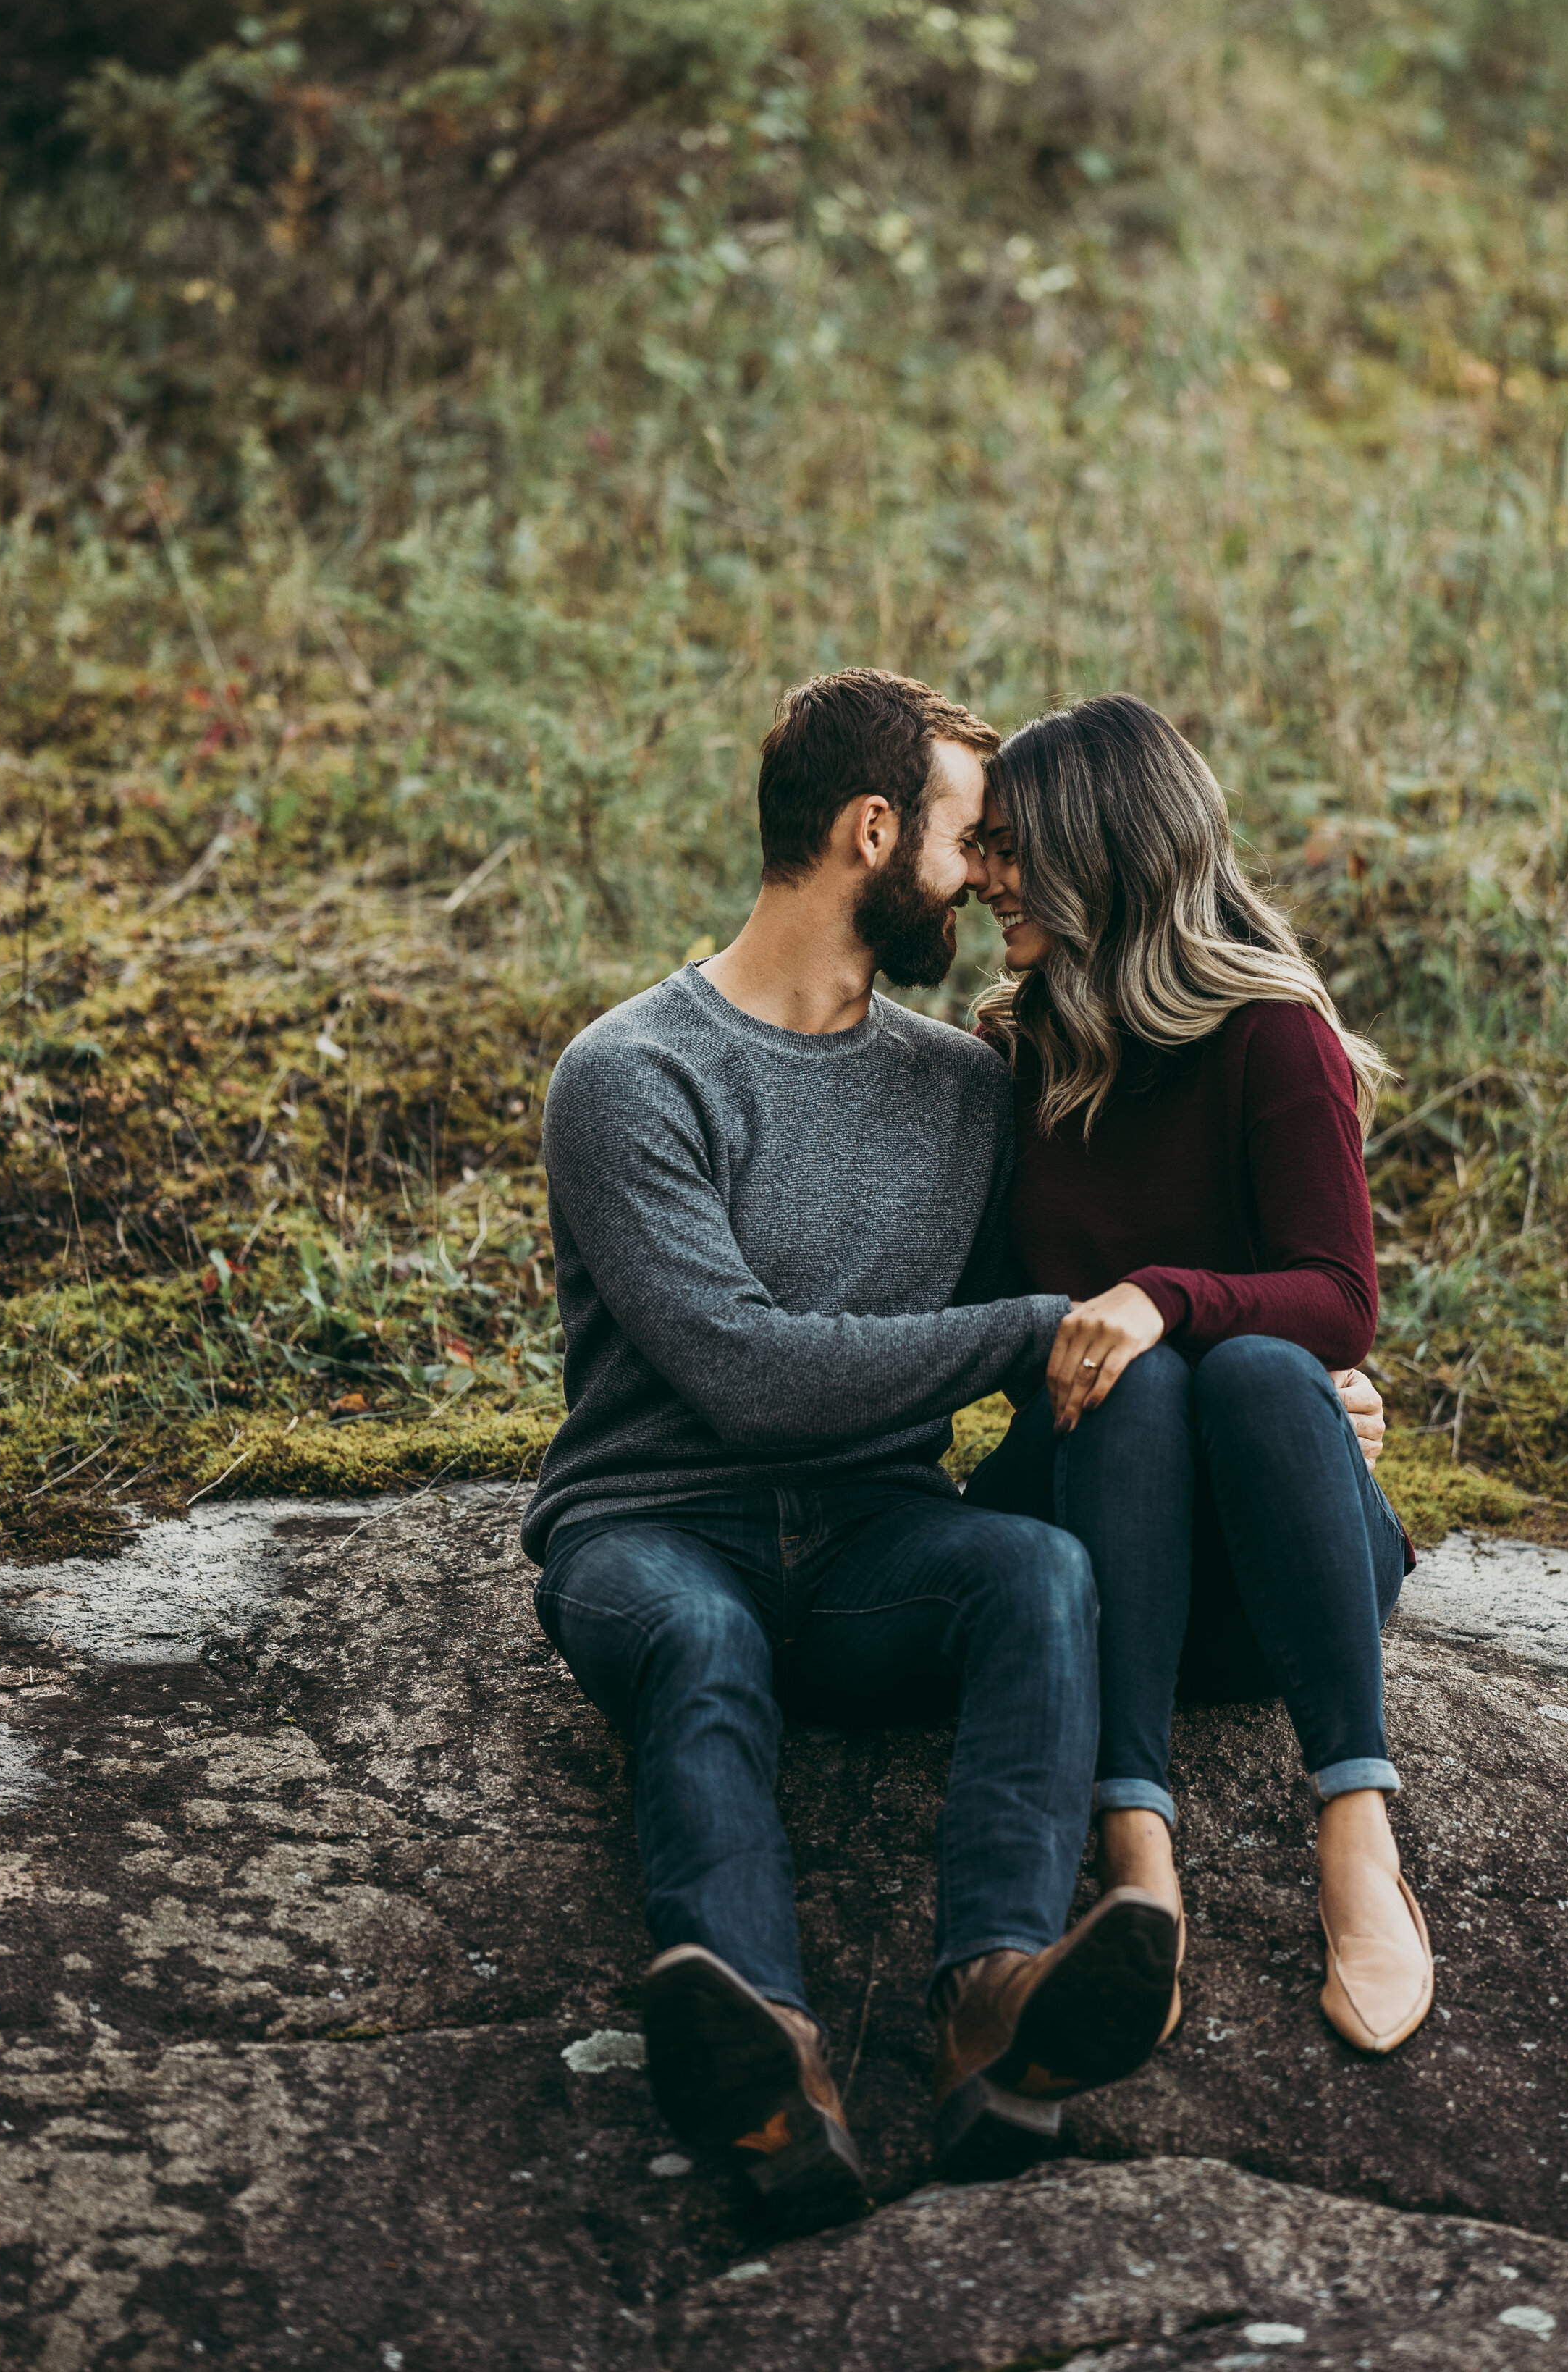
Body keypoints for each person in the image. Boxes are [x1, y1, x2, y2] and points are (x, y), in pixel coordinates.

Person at [525, 669, 1184, 2221]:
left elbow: (1124, 1267)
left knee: (1031, 1572)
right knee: (693, 1634)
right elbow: (742, 1376)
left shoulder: (966, 1085)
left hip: (878, 1545)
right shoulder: (630, 1075)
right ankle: (767, 2068)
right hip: (654, 1529)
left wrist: (1271, 1352)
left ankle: (998, 2006)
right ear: (872, 830)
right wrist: (1031, 1327)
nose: (992, 876)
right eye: (974, 837)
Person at [965, 694, 1433, 2058]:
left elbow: (1340, 1299)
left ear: (1099, 851)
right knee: (1155, 1385)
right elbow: (979, 1313)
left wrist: (1167, 1299)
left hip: (1272, 1563)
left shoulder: (1269, 1033)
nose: (984, 876)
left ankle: (1356, 1828)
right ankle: (1136, 1851)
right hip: (1111, 1553)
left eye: (1009, 848)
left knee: (1254, 1378)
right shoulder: (1017, 1055)